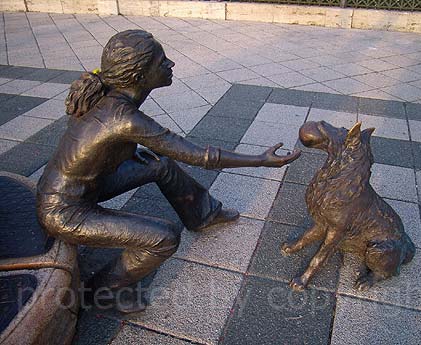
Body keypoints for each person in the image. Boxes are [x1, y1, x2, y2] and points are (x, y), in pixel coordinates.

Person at [36, 30, 300, 313]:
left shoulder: (112, 99)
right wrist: (261, 160)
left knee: (159, 164)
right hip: (63, 211)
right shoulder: (123, 118)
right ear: (139, 75)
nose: (171, 64)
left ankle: (202, 213)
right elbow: (201, 156)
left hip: (83, 187)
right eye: (162, 61)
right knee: (164, 237)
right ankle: (101, 291)